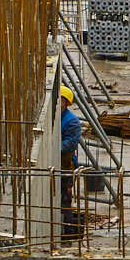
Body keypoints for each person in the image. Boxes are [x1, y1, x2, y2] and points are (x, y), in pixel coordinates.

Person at [58, 86, 83, 228]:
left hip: (65, 166)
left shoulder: (72, 121)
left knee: (65, 200)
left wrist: (54, 147)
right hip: (57, 164)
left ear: (63, 102)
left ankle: (67, 230)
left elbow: (71, 143)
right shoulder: (56, 117)